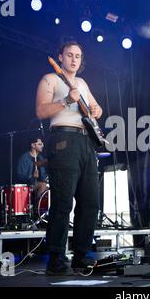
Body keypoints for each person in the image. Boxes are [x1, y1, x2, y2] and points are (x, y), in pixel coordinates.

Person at [36, 41, 103, 275]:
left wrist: (97, 110)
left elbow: (96, 108)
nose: (74, 59)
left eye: (78, 56)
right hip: (64, 139)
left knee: (91, 201)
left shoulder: (82, 83)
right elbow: (41, 111)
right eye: (70, 55)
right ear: (60, 57)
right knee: (63, 202)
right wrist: (66, 100)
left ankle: (82, 255)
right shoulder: (50, 79)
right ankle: (56, 257)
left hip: (87, 142)